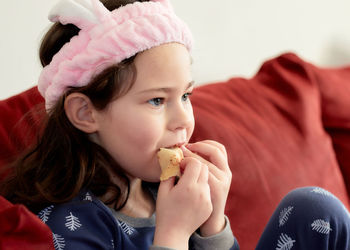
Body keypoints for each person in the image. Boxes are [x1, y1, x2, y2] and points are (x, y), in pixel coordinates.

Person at [1, 0, 350, 250]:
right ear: (86, 114)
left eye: (185, 96)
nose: (184, 120)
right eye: (157, 100)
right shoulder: (70, 225)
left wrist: (212, 223)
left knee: (315, 207)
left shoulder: (164, 188)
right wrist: (172, 235)